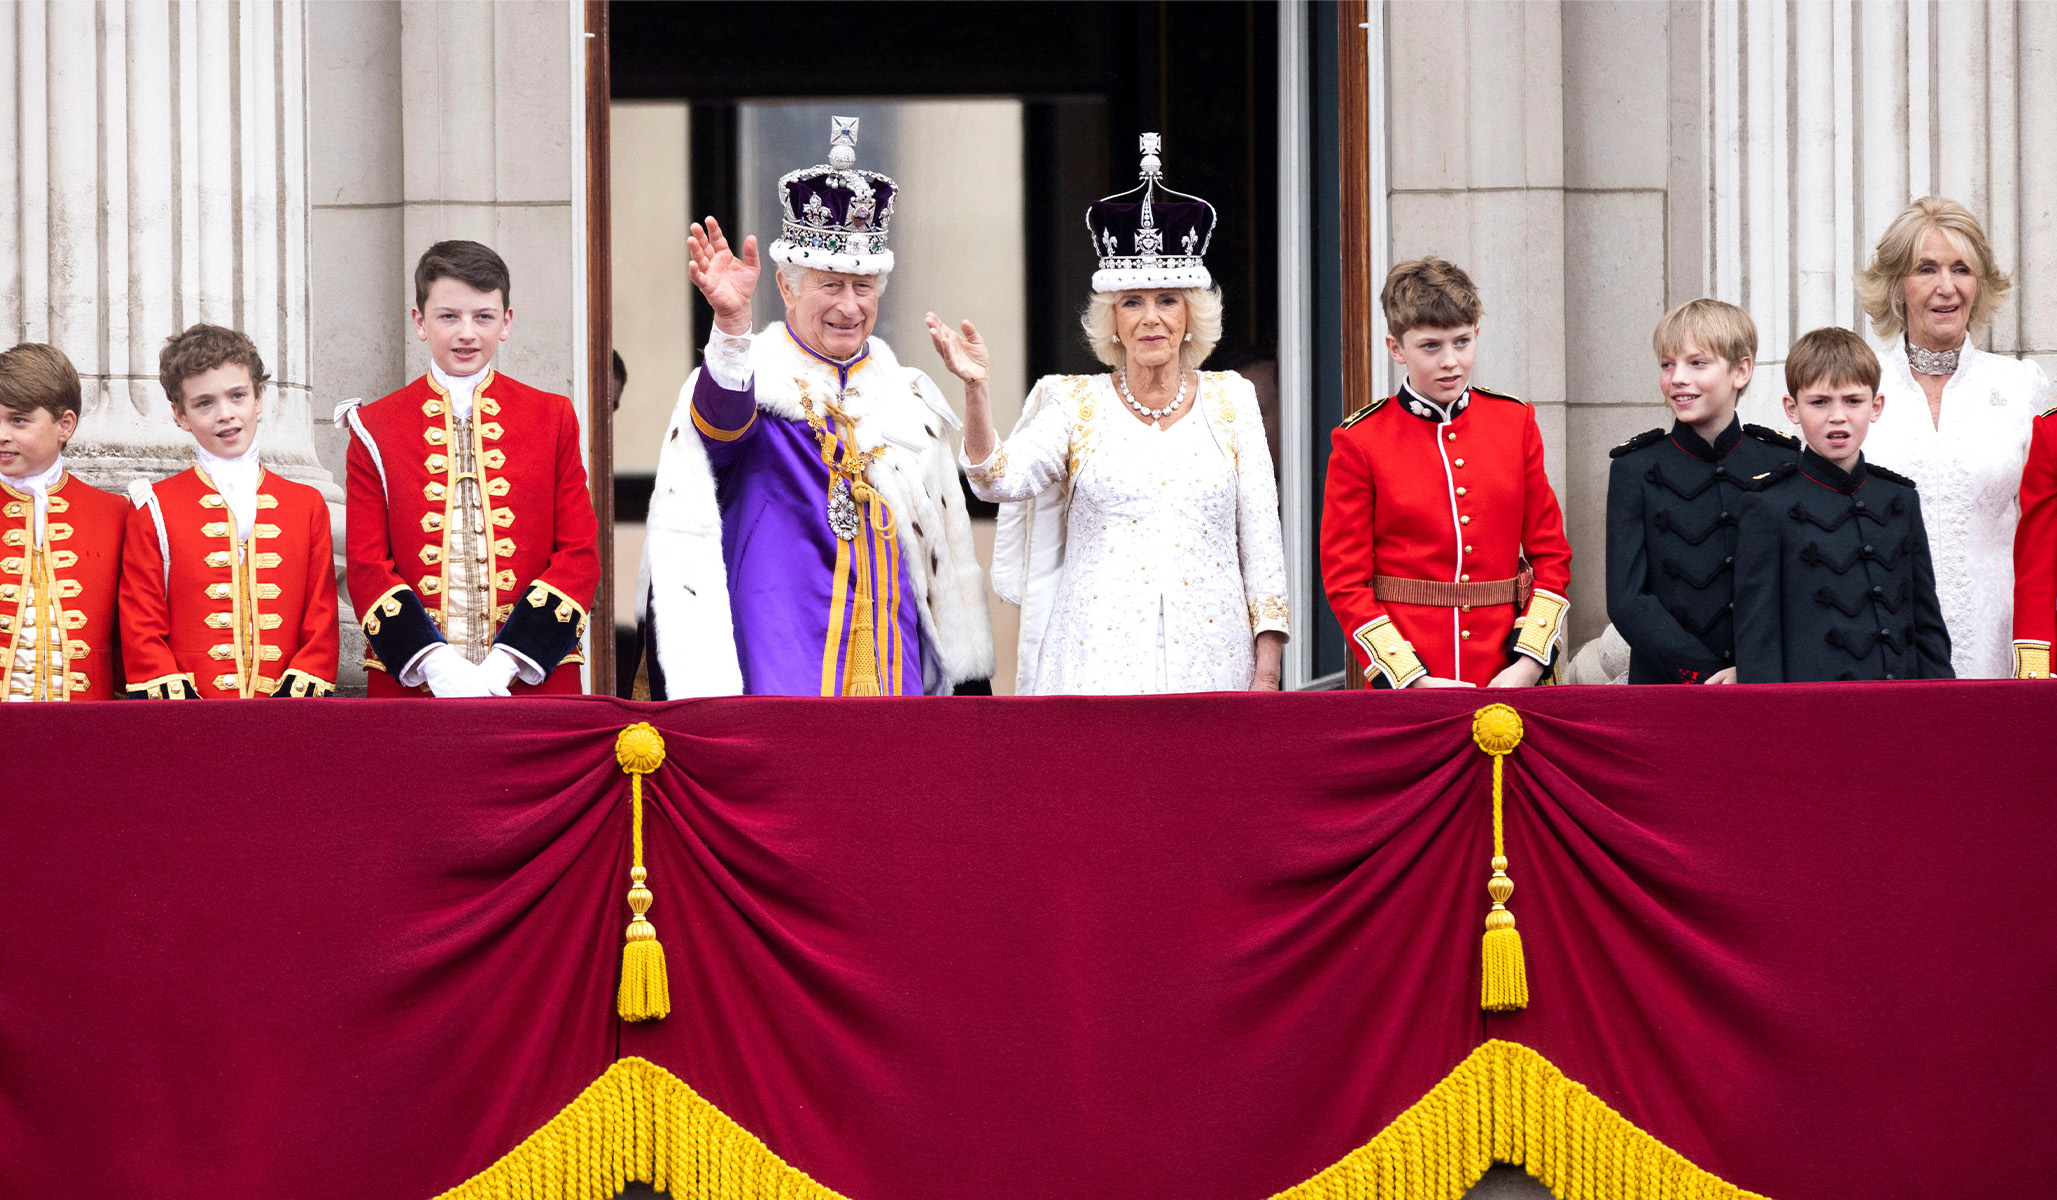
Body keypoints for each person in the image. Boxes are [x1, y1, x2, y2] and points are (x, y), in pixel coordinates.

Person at [637, 116, 993, 697]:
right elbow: (720, 429)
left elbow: (945, 556)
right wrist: (731, 327)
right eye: (830, 285)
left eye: (863, 287)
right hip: (777, 651)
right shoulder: (752, 378)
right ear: (787, 287)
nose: (849, 307)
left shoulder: (907, 401)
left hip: (893, 657)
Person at [933, 133, 1287, 694]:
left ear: (1190, 316)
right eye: (1132, 302)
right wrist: (977, 389)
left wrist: (1266, 672)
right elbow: (996, 480)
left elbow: (1263, 548)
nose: (1151, 318)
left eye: (1167, 300)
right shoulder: (1074, 404)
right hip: (1094, 663)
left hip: (1214, 665)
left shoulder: (1233, 400)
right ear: (1114, 321)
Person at [336, 240, 600, 697]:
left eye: (483, 317)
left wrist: (510, 658)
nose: (467, 333)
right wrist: (434, 663)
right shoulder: (373, 427)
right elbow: (366, 565)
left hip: (532, 682)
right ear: (419, 322)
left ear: (506, 322)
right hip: (415, 686)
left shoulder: (552, 417)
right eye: (448, 316)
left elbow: (579, 554)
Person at [1320, 257, 1572, 689]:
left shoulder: (1515, 422)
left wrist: (1530, 663)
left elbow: (1551, 556)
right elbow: (1346, 581)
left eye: (1461, 342)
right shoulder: (1360, 440)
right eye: (1430, 347)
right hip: (1411, 676)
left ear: (1477, 335)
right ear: (1396, 348)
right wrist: (1410, 679)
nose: (1450, 361)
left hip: (1510, 670)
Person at [1856, 197, 2050, 678]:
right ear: (1897, 284)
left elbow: (2047, 528)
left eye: (1961, 269)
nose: (1947, 287)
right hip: (1882, 643)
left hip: (2000, 647)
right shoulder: (1859, 384)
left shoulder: (2022, 385)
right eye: (1927, 269)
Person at [119, 325, 338, 699]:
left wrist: (293, 707)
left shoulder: (306, 505)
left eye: (237, 396)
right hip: (190, 717)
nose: (225, 414)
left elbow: (321, 621)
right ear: (180, 415)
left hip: (286, 715)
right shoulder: (153, 507)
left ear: (259, 397)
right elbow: (142, 626)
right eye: (204, 403)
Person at [1733, 327, 1951, 682]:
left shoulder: (1900, 499)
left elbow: (1927, 624)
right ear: (1792, 408)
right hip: (1814, 709)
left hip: (1903, 705)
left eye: (1852, 401)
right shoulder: (1768, 506)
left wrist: (1944, 702)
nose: (1838, 416)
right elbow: (1759, 641)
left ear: (1876, 406)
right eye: (1820, 402)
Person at [1606, 299, 1798, 684]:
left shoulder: (1784, 462)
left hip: (1762, 685)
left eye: (1697, 363)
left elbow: (1798, 590)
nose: (1677, 377)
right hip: (1668, 688)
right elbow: (1627, 600)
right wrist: (1703, 675)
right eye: (1667, 364)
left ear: (1741, 371)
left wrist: (1752, 671)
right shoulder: (1635, 468)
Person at [0, 343, 126, 701]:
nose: (2, 434)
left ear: (64, 425)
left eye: (18, 420)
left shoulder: (115, 513)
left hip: (87, 724)